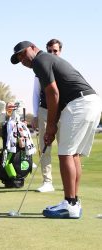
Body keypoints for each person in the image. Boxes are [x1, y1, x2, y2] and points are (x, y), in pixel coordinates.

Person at [10, 41, 101, 219]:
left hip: (79, 104)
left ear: (33, 48)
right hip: (91, 102)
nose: (22, 60)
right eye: (18, 58)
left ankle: (70, 204)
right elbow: (57, 96)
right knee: (73, 154)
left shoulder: (40, 60)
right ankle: (73, 201)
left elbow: (53, 93)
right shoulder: (48, 60)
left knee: (65, 154)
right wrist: (53, 125)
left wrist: (51, 126)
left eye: (22, 54)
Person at [32, 39, 63, 192]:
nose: (52, 53)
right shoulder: (40, 69)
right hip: (44, 110)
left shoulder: (63, 68)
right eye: (49, 51)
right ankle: (47, 182)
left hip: (64, 112)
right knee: (45, 147)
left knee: (65, 149)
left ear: (60, 51)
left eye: (55, 51)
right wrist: (36, 115)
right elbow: (36, 93)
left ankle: (67, 183)